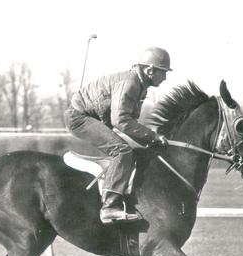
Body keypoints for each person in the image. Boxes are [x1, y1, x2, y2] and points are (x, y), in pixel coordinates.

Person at [64, 47, 171, 224]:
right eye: (163, 72)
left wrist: (149, 140)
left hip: (94, 117)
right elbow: (120, 120)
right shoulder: (131, 83)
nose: (165, 77)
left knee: (135, 150)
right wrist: (152, 136)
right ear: (150, 70)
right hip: (79, 117)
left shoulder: (140, 85)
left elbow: (129, 123)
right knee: (122, 151)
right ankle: (109, 207)